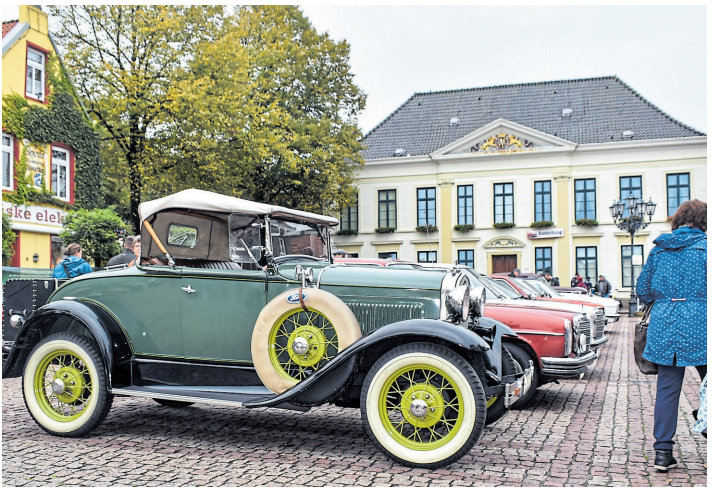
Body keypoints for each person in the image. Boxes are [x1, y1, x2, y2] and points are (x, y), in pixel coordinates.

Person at [636, 199, 707, 472]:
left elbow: (643, 290)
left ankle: (663, 453)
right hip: (702, 324)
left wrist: (666, 300)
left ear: (677, 219)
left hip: (665, 325)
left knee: (667, 390)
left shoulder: (659, 250)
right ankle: (706, 423)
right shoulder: (706, 248)